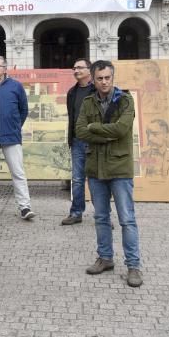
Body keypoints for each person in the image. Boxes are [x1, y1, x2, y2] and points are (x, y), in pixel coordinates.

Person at [76, 60, 143, 288]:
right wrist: (103, 133)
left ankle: (133, 266)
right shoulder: (87, 102)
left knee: (127, 219)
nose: (104, 82)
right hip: (95, 169)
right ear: (93, 80)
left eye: (107, 78)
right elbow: (80, 131)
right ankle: (105, 258)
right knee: (101, 218)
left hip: (120, 168)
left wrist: (95, 129)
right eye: (100, 78)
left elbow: (122, 129)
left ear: (112, 78)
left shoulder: (125, 100)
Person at [0, 56, 35, 221]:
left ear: (5, 69)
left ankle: (25, 207)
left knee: (18, 173)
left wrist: (15, 126)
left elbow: (23, 109)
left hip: (11, 138)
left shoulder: (16, 86)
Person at [61, 58, 95, 225]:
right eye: (74, 68)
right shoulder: (72, 92)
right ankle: (76, 213)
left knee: (98, 178)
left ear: (89, 70)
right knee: (77, 179)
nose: (76, 71)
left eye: (80, 68)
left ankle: (103, 215)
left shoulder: (97, 90)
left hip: (95, 141)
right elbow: (72, 117)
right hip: (77, 141)